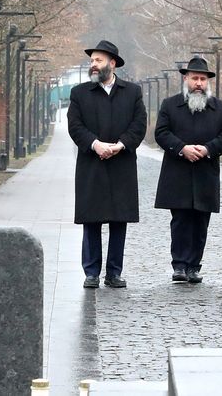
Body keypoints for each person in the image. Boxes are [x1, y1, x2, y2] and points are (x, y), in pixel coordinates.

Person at [67, 40, 146, 289]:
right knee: (91, 220)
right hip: (92, 163)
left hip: (121, 163)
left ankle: (114, 272)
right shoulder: (79, 93)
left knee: (118, 220)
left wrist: (120, 145)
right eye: (92, 60)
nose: (93, 64)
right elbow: (75, 126)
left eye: (98, 60)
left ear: (112, 63)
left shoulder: (132, 92)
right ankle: (91, 272)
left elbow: (139, 125)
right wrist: (95, 144)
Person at [154, 56, 222, 284]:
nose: (198, 83)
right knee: (180, 221)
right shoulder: (170, 105)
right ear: (186, 79)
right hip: (177, 172)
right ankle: (179, 265)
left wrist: (208, 149)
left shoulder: (220, 108)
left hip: (205, 173)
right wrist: (181, 148)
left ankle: (194, 266)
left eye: (202, 79)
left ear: (208, 81)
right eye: (194, 78)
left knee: (201, 222)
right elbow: (161, 133)